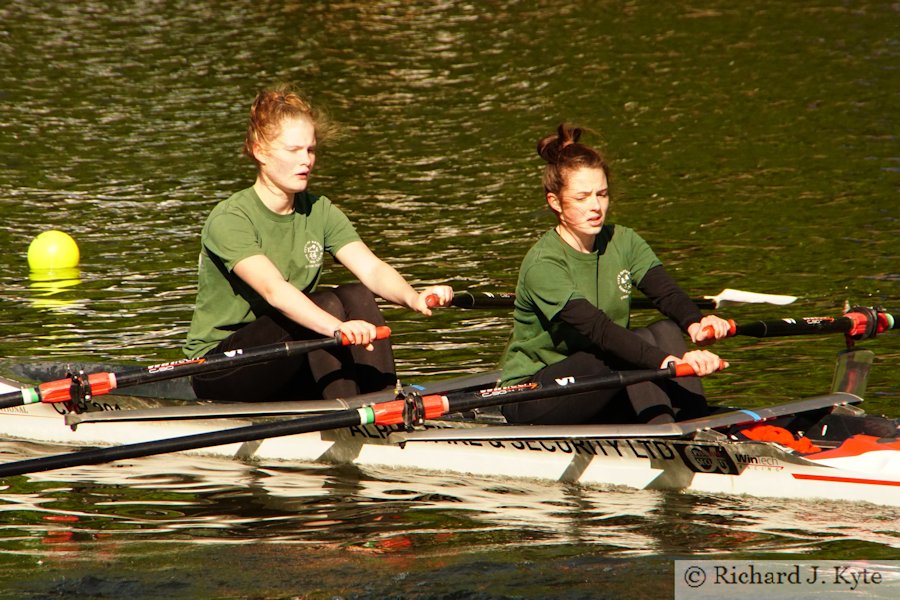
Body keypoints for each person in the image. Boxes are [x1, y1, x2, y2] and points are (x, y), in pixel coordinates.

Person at [183, 84, 452, 402]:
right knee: (324, 304)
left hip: (291, 355)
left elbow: (372, 269)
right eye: (293, 150)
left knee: (356, 293)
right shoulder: (230, 218)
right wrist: (338, 328)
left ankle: (381, 405)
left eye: (310, 150)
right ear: (260, 151)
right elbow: (275, 292)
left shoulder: (319, 209)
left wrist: (414, 298)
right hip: (221, 366)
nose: (306, 161)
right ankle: (349, 421)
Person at [498, 124, 730, 425]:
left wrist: (697, 323)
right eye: (582, 198)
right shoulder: (543, 264)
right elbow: (600, 331)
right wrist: (669, 363)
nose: (595, 207)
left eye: (602, 194)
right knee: (622, 348)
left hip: (602, 379)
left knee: (664, 331)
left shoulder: (624, 240)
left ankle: (694, 426)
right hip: (533, 394)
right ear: (555, 202)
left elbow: (667, 294)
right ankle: (668, 438)